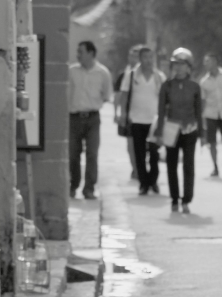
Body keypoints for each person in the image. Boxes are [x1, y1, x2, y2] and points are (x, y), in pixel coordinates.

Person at [155, 48, 203, 215]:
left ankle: (186, 199)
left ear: (189, 67)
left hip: (190, 129)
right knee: (171, 166)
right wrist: (159, 132)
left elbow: (199, 111)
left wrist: (202, 133)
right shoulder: (166, 86)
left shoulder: (195, 87)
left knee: (189, 166)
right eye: (176, 64)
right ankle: (174, 199)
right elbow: (161, 111)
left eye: (182, 64)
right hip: (171, 129)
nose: (179, 68)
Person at [119, 46, 166, 195]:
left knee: (154, 152)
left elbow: (165, 98)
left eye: (151, 57)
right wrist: (123, 114)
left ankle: (153, 181)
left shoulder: (159, 76)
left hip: (154, 120)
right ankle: (143, 183)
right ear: (140, 59)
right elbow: (124, 94)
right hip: (137, 119)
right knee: (139, 153)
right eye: (145, 57)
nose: (149, 60)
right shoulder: (132, 75)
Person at [69, 40, 113, 200]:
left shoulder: (103, 73)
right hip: (73, 117)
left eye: (81, 51)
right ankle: (73, 185)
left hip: (93, 118)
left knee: (92, 154)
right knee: (73, 153)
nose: (78, 55)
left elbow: (107, 95)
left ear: (91, 53)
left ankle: (89, 189)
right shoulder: (71, 71)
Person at [114, 44, 143, 180]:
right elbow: (119, 95)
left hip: (147, 116)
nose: (134, 58)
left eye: (137, 55)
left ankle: (142, 167)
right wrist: (118, 113)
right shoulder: (125, 75)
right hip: (130, 116)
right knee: (131, 144)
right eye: (132, 55)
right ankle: (136, 169)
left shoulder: (153, 74)